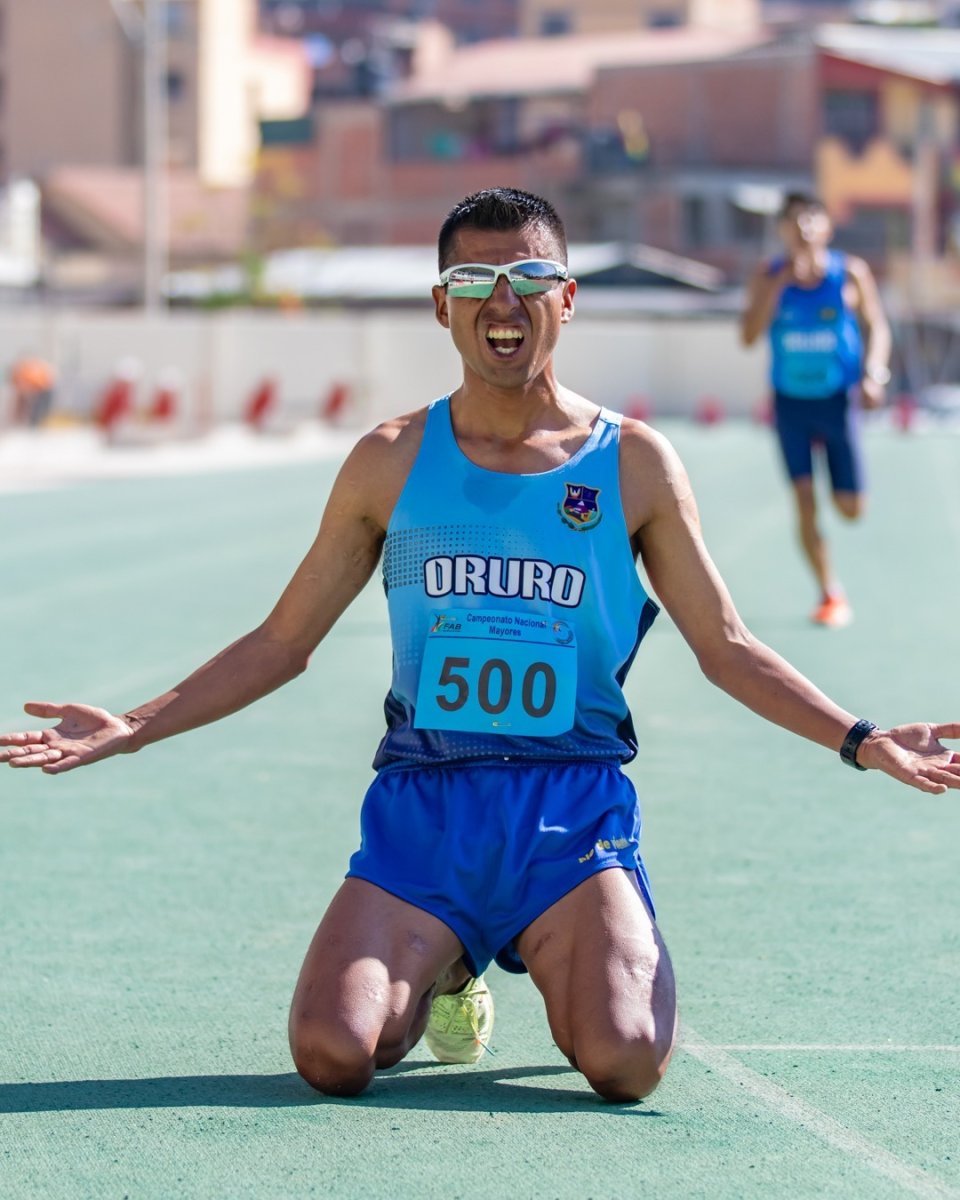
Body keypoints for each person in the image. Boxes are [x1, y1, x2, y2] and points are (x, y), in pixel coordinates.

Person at [2, 188, 957, 1105]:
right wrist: (131, 725)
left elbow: (729, 646)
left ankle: (563, 939)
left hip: (572, 810)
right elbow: (284, 640)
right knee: (332, 1055)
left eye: (530, 279)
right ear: (441, 306)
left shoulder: (631, 462)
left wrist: (861, 738)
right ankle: (451, 967)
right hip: (425, 811)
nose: (503, 303)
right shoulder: (390, 459)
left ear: (568, 298)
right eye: (473, 283)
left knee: (624, 1063)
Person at [741, 191, 892, 628]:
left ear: (827, 226)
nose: (803, 227)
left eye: (811, 218)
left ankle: (843, 484)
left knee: (850, 509)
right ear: (783, 230)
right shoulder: (769, 274)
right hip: (790, 404)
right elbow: (748, 336)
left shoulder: (850, 273)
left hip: (837, 401)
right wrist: (776, 288)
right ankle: (829, 592)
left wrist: (874, 372)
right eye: (793, 220)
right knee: (804, 501)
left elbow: (876, 325)